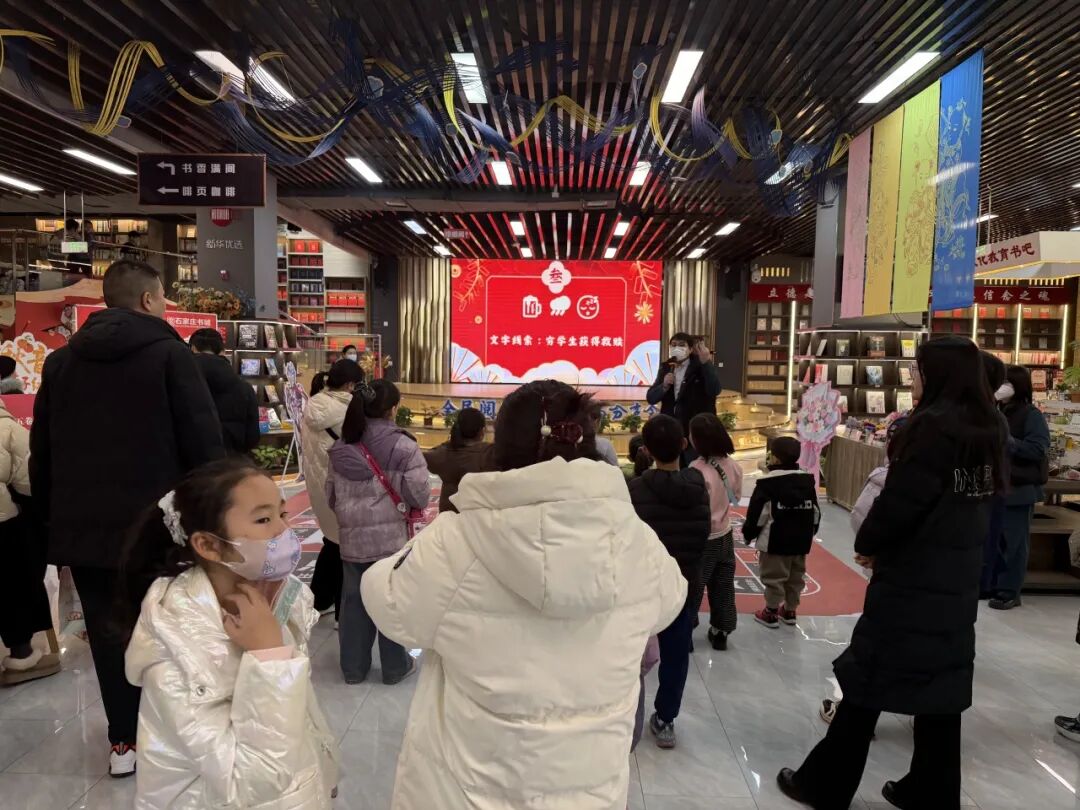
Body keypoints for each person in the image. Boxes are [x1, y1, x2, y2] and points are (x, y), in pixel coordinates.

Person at [360, 379, 686, 809]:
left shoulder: (457, 540)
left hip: (471, 789)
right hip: (590, 788)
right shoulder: (636, 540)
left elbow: (387, 602)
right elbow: (671, 600)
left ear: (501, 448)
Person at [777, 336, 1005, 810]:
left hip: (912, 580)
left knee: (867, 680)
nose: (912, 378)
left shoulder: (931, 430)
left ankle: (823, 786)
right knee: (941, 691)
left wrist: (870, 544)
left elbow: (901, 504)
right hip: (957, 579)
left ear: (939, 374)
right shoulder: (988, 428)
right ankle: (930, 792)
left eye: (918, 369)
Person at [30, 259, 224, 776]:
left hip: (85, 531)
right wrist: (212, 520)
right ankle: (174, 736)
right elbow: (203, 443)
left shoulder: (61, 363)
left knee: (108, 632)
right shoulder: (170, 356)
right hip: (159, 530)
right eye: (162, 297)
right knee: (171, 627)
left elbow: (42, 451)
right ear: (147, 299)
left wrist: (51, 523)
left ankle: (124, 741)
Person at [122, 458, 339, 808]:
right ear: (209, 545)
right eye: (263, 519)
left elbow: (297, 714)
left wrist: (323, 773)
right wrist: (269, 657)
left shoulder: (272, 599)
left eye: (282, 514)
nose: (284, 529)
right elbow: (249, 782)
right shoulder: (177, 657)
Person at [327, 379, 429, 685]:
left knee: (353, 604)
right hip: (391, 543)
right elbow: (419, 494)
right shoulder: (404, 446)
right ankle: (395, 667)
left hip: (352, 541)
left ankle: (353, 669)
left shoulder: (340, 448)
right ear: (393, 409)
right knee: (390, 601)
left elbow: (331, 495)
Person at [629, 414, 710, 749]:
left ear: (646, 449)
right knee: (676, 656)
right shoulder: (698, 486)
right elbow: (703, 534)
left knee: (631, 654)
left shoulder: (634, 489)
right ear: (684, 444)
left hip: (641, 587)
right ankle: (665, 720)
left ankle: (625, 713)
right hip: (682, 585)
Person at [301, 359, 366, 621]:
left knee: (332, 540)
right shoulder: (347, 408)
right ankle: (343, 614)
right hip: (342, 486)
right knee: (344, 547)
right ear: (350, 384)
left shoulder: (314, 403)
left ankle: (319, 599)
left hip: (319, 485)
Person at [0, 396, 58, 685]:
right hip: (5, 526)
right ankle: (21, 654)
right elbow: (30, 480)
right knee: (15, 582)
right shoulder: (8, 428)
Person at [987, 365, 1050, 610]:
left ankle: (1009, 591)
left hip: (1019, 488)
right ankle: (994, 585)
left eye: (1006, 383)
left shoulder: (1031, 415)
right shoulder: (997, 411)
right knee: (996, 541)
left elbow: (1037, 448)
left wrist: (1007, 441)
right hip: (996, 486)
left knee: (1014, 543)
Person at [743, 436, 820, 629]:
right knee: (796, 577)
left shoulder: (768, 484)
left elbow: (757, 515)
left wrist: (749, 533)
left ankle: (770, 612)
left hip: (775, 540)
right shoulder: (807, 481)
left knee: (774, 577)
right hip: (801, 541)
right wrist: (811, 532)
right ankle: (790, 610)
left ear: (775, 458)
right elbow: (815, 511)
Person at [688, 413, 744, 650]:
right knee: (723, 584)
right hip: (725, 534)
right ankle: (721, 631)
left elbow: (692, 506)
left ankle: (686, 630)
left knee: (694, 586)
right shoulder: (734, 466)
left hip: (703, 538)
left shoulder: (696, 469)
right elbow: (737, 496)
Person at [646, 332, 720, 465]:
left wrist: (706, 363)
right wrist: (663, 386)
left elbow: (714, 390)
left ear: (690, 349)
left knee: (694, 469)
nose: (677, 348)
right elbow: (651, 397)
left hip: (694, 432)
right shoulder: (666, 366)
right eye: (673, 345)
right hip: (671, 432)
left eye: (681, 345)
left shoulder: (700, 366)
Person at [189, 328, 259, 456]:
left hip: (191, 462)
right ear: (223, 352)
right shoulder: (245, 388)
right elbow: (252, 437)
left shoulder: (180, 382)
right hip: (231, 461)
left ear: (193, 349)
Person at [423, 407, 495, 513]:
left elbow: (419, 457)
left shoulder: (442, 453)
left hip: (448, 515)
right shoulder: (489, 454)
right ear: (482, 432)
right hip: (479, 515)